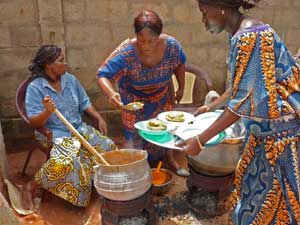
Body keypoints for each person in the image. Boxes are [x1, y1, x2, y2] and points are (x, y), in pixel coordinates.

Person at [177, 0, 300, 224]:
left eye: (205, 13)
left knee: (270, 210)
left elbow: (244, 102)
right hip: (262, 136)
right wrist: (210, 107)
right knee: (250, 200)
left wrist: (200, 140)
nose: (203, 20)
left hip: (279, 139)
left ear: (221, 7)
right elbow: (239, 85)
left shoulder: (249, 37)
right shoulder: (240, 33)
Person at [22, 45, 116, 209]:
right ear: (48, 65)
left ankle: (93, 182)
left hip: (79, 128)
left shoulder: (70, 80)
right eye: (61, 61)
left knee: (108, 147)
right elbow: (35, 123)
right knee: (72, 162)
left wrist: (98, 117)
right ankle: (31, 186)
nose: (65, 64)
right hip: (55, 134)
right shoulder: (35, 88)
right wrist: (47, 111)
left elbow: (85, 102)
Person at [97, 10, 189, 176]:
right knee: (133, 135)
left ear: (159, 36)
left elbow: (180, 64)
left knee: (165, 131)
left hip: (161, 97)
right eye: (141, 40)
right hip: (133, 101)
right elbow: (103, 74)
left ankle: (170, 159)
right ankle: (138, 166)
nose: (146, 45)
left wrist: (181, 87)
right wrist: (111, 93)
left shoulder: (172, 46)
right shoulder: (126, 52)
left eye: (151, 41)